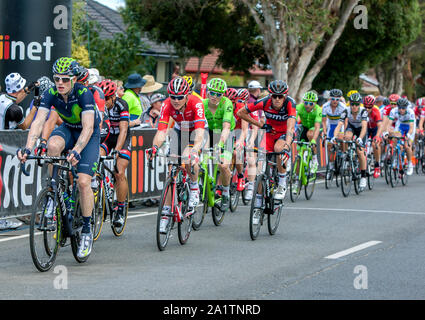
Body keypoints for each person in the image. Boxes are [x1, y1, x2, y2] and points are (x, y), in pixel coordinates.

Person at [17, 57, 100, 259]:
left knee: (82, 182)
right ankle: (53, 192)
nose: (60, 83)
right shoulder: (51, 93)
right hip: (69, 129)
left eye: (65, 79)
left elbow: (88, 128)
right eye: (56, 79)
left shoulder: (84, 93)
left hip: (88, 135)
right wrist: (28, 148)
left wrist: (77, 150)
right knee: (52, 146)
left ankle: (87, 231)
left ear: (73, 80)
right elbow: (38, 123)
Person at [146, 77, 207, 233]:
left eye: (180, 97)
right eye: (173, 96)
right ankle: (166, 211)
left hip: (198, 131)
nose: (176, 100)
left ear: (187, 95)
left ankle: (194, 188)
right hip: (181, 130)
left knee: (187, 157)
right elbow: (161, 132)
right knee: (171, 166)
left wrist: (194, 151)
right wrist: (154, 147)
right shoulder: (166, 105)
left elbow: (199, 134)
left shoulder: (196, 103)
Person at [238, 80, 296, 201]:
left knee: (279, 149)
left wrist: (287, 145)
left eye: (280, 96)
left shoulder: (290, 103)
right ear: (270, 95)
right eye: (274, 96)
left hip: (284, 134)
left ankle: (282, 183)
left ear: (285, 96)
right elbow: (241, 112)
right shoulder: (264, 102)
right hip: (269, 132)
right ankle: (258, 202)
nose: (277, 99)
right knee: (260, 170)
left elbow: (290, 127)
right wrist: (259, 125)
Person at [98, 79, 131, 227]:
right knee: (95, 157)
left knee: (119, 172)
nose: (103, 102)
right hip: (107, 137)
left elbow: (123, 130)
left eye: (106, 99)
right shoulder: (97, 104)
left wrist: (117, 150)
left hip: (121, 138)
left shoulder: (121, 104)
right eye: (101, 98)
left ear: (113, 97)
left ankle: (120, 209)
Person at [203, 78, 235, 212]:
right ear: (207, 92)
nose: (214, 97)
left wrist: (221, 143)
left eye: (218, 94)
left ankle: (226, 192)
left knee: (223, 164)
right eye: (212, 93)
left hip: (225, 133)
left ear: (223, 95)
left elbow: (226, 127)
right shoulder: (202, 103)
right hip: (209, 132)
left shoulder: (226, 104)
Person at [333, 92, 369, 189]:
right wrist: (334, 136)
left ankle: (363, 176)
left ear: (359, 104)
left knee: (360, 152)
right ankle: (349, 154)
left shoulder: (363, 111)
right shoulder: (346, 111)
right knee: (347, 136)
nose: (354, 106)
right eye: (352, 104)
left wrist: (360, 138)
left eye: (356, 104)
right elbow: (339, 125)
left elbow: (365, 127)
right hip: (352, 127)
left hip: (361, 129)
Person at [383, 97, 415, 176]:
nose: (401, 110)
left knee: (407, 146)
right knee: (395, 139)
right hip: (400, 125)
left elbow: (411, 128)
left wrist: (408, 135)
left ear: (406, 107)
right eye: (399, 108)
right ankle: (396, 157)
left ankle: (410, 163)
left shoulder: (410, 112)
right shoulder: (394, 111)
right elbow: (389, 123)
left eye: (403, 108)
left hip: (409, 127)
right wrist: (386, 132)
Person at [321, 88, 346, 178]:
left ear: (340, 99)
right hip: (331, 125)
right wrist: (324, 132)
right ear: (330, 98)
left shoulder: (343, 107)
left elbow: (345, 121)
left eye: (337, 99)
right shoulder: (325, 106)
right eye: (333, 99)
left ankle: (343, 154)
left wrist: (345, 133)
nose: (335, 101)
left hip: (340, 125)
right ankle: (331, 167)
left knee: (342, 138)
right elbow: (323, 122)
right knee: (329, 145)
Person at [295, 91, 322, 173]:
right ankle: (296, 177)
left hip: (313, 127)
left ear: (315, 103)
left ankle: (314, 159)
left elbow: (317, 127)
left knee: (310, 134)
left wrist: (314, 140)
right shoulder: (299, 107)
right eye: (306, 103)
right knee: (299, 151)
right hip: (304, 126)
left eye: (311, 104)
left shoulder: (318, 109)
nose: (307, 105)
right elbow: (293, 121)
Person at [363, 95, 383, 178]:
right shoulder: (362, 111)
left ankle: (377, 165)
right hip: (366, 128)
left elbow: (380, 126)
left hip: (375, 129)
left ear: (373, 105)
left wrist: (377, 136)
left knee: (375, 144)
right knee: (361, 146)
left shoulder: (376, 111)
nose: (367, 109)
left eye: (369, 107)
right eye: (366, 107)